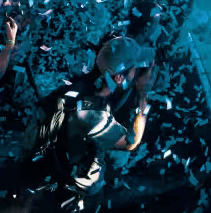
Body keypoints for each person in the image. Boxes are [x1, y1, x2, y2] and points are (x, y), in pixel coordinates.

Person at [17, 35, 156, 211]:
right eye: (134, 70)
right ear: (119, 77)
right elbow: (130, 142)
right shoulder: (92, 113)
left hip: (44, 167)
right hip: (61, 191)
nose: (136, 73)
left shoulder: (78, 85)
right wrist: (143, 95)